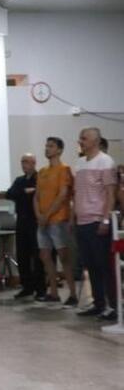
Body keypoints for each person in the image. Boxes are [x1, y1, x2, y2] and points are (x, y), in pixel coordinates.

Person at [73, 127, 117, 320]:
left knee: (104, 266)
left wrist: (105, 219)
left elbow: (110, 194)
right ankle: (99, 304)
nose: (80, 141)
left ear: (95, 141)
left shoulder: (106, 161)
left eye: (84, 138)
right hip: (81, 221)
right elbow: (77, 194)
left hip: (97, 221)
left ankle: (114, 307)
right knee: (90, 266)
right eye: (80, 138)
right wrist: (73, 217)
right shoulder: (80, 163)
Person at [34, 137, 77, 307]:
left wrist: (48, 215)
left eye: (51, 146)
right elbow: (37, 196)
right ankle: (53, 292)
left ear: (59, 150)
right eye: (46, 146)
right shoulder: (42, 171)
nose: (47, 149)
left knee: (64, 257)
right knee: (45, 255)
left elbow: (62, 195)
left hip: (58, 219)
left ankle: (73, 294)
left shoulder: (64, 169)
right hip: (43, 221)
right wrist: (39, 215)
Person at [6, 154, 45, 300]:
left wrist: (26, 193)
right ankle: (27, 287)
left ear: (34, 163)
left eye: (27, 162)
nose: (24, 164)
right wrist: (24, 192)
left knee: (37, 256)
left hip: (35, 221)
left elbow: (39, 195)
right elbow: (10, 194)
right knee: (22, 255)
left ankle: (40, 289)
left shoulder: (39, 178)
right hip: (21, 221)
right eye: (22, 162)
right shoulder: (20, 180)